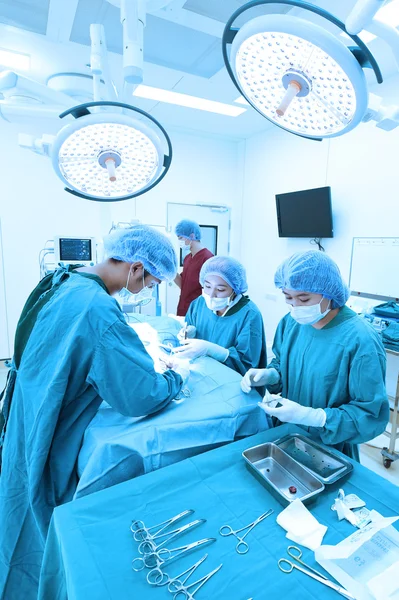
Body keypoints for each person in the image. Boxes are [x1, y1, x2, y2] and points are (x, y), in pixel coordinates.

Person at [0, 225, 188, 599]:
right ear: (136, 268)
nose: (148, 290)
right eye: (151, 281)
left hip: (26, 405)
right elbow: (139, 395)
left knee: (14, 494)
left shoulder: (63, 279)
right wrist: (175, 377)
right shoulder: (99, 309)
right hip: (48, 422)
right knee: (36, 514)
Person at [241, 250, 389, 460]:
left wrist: (315, 417)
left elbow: (369, 415)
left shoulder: (361, 339)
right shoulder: (291, 322)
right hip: (286, 434)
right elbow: (282, 364)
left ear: (329, 292)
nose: (296, 306)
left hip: (331, 448)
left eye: (304, 298)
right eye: (288, 298)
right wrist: (271, 375)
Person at [173, 256, 267, 377]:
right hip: (203, 376)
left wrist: (214, 351)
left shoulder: (249, 315)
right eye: (207, 286)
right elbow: (188, 339)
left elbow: (248, 364)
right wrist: (189, 332)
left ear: (235, 289)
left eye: (220, 289)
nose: (211, 295)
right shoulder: (199, 303)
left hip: (232, 382)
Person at [174, 219, 213, 316]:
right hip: (183, 307)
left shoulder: (208, 259)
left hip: (198, 311)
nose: (179, 241)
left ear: (191, 236)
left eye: (181, 238)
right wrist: (171, 271)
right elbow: (183, 285)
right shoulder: (187, 258)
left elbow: (210, 291)